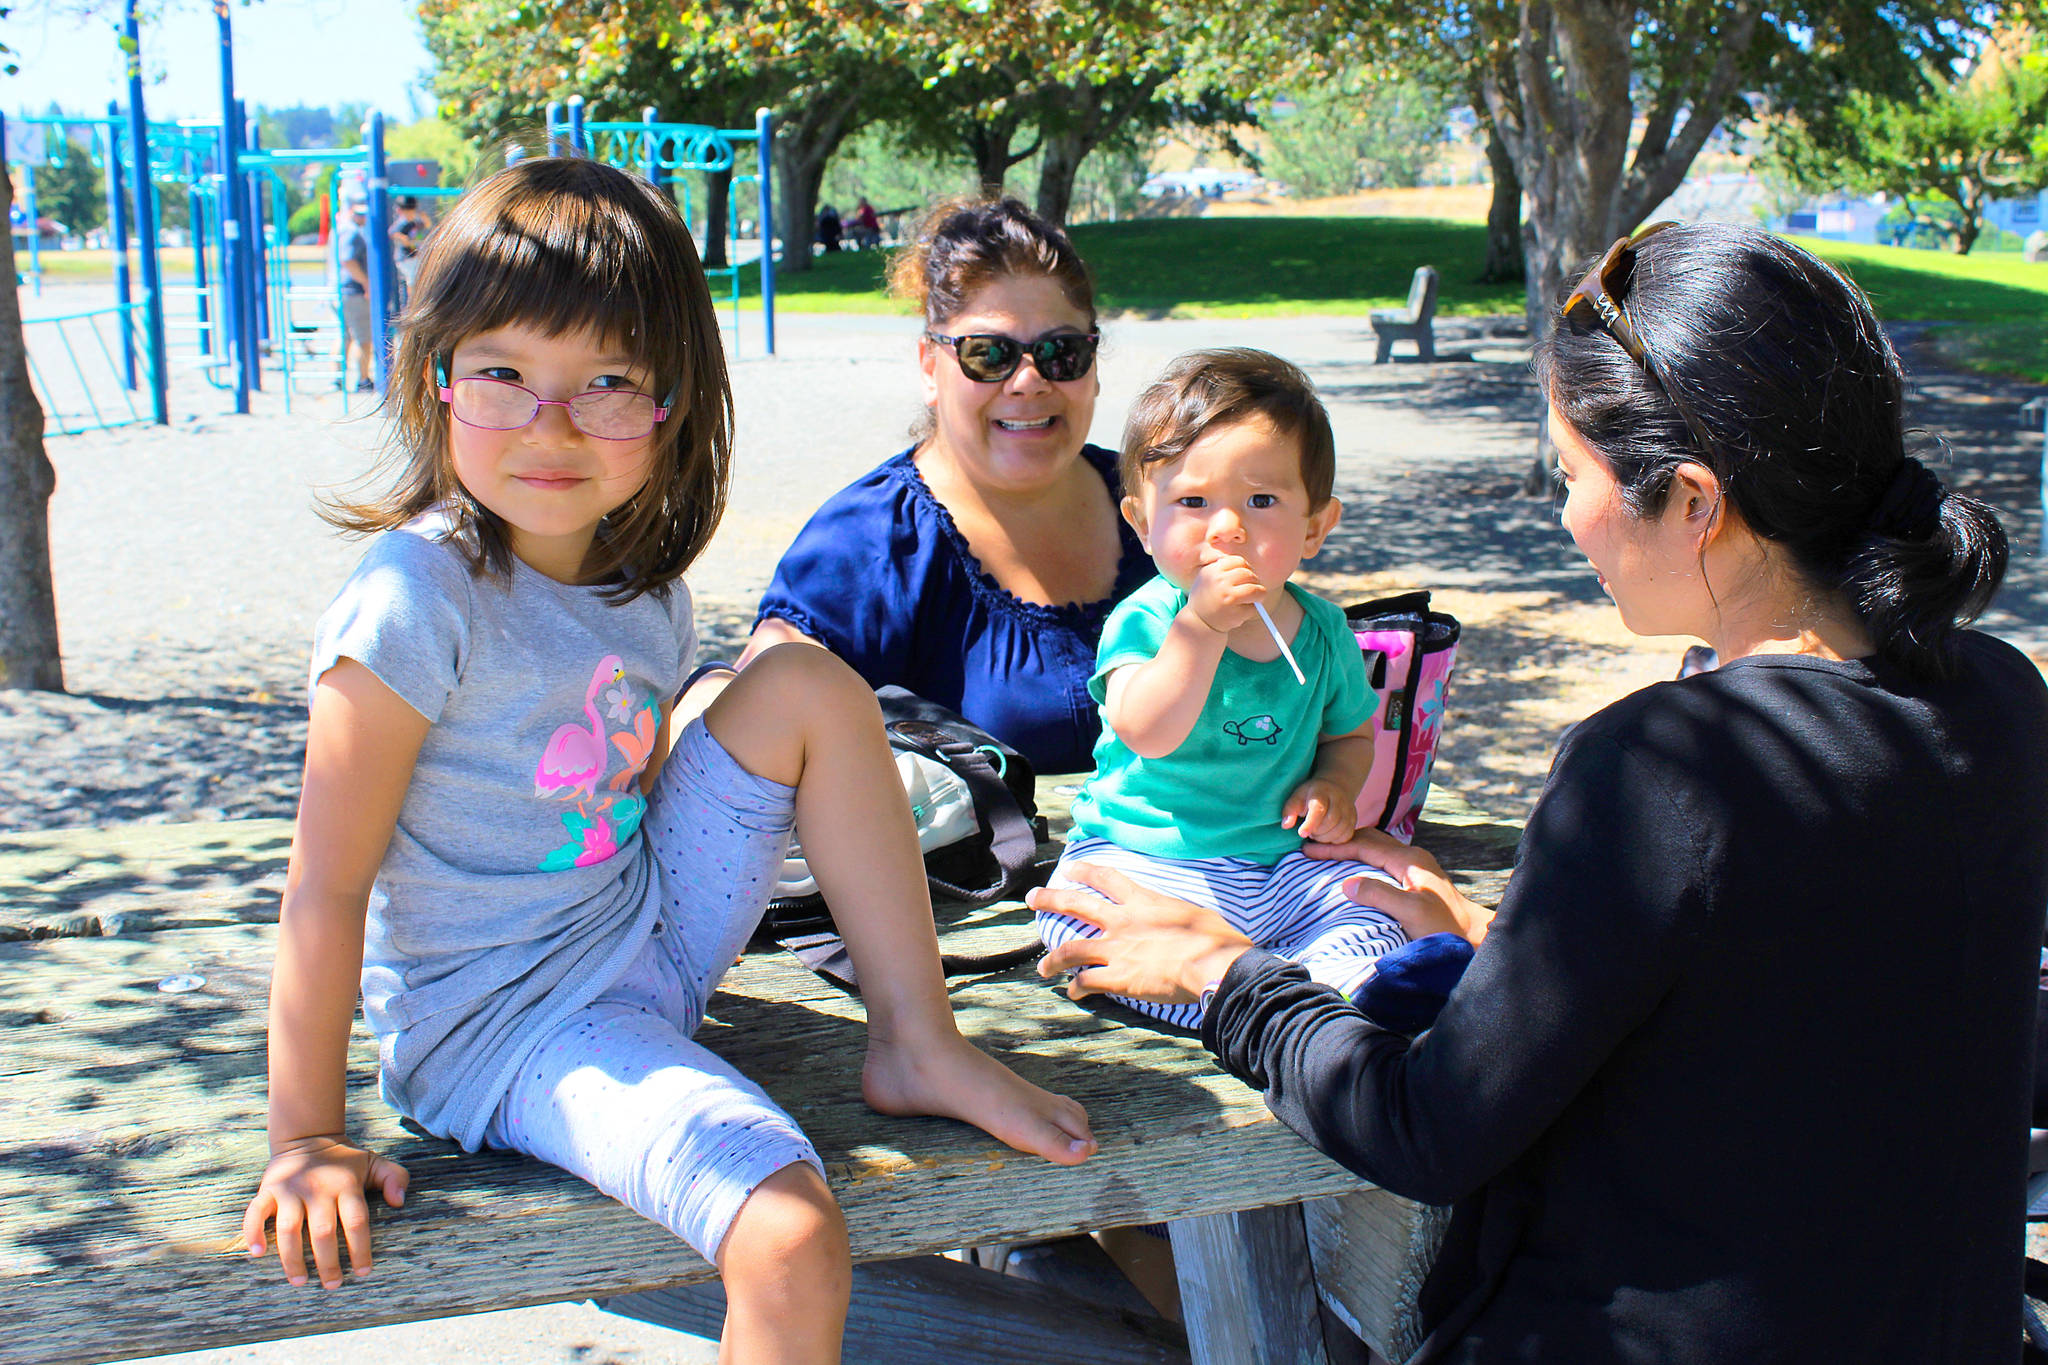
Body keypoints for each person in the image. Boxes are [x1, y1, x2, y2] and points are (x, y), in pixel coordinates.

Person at [1031, 222, 2048, 1362]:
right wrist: (1502, 935)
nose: (1565, 518)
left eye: (1571, 474)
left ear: (1694, 499)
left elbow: (1424, 1128)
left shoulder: (1662, 765)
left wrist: (1221, 976)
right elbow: (1799, 994)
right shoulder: (2001, 701)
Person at [238, 158, 1094, 1359]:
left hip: (642, 938)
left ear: (667, 405)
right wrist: (308, 1138)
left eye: (604, 383)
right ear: (437, 383)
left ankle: (916, 1036)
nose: (550, 424)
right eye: (503, 375)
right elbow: (323, 889)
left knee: (800, 679)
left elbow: (631, 785)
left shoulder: (643, 592)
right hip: (508, 1023)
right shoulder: (412, 599)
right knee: (790, 1236)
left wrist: (731, 759)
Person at [1033, 348, 1413, 1032]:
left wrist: (1333, 784)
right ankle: (1242, 994)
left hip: (1276, 864)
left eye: (1262, 500)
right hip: (1145, 854)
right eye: (1193, 502)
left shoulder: (1324, 632)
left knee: (1372, 904)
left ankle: (1316, 984)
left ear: (1316, 526)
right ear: (1142, 522)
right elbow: (1146, 728)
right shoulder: (1148, 621)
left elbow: (1351, 734)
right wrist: (1199, 628)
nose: (1227, 527)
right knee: (1079, 920)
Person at [724, 197, 1153, 774]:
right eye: (988, 355)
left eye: (1060, 352)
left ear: (1093, 364)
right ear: (930, 368)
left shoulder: (1166, 499)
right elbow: (752, 737)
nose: (1028, 381)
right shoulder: (868, 542)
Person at [336, 192, 374, 393]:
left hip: (346, 290)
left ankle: (336, 376)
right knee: (363, 339)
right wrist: (366, 282)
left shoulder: (345, 231)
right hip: (355, 291)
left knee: (346, 336)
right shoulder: (354, 233)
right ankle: (363, 378)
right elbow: (348, 260)